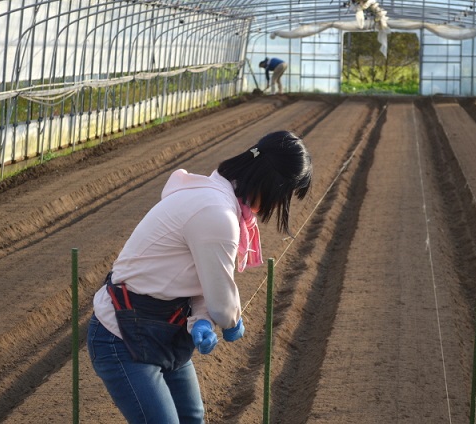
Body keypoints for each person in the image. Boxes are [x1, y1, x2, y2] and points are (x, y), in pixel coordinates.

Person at [87, 130, 312, 424]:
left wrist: (201, 319)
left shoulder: (216, 197)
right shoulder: (216, 213)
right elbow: (221, 303)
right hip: (122, 334)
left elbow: (198, 281)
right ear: (274, 185)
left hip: (163, 328)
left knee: (192, 418)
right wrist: (229, 320)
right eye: (286, 196)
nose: (281, 205)